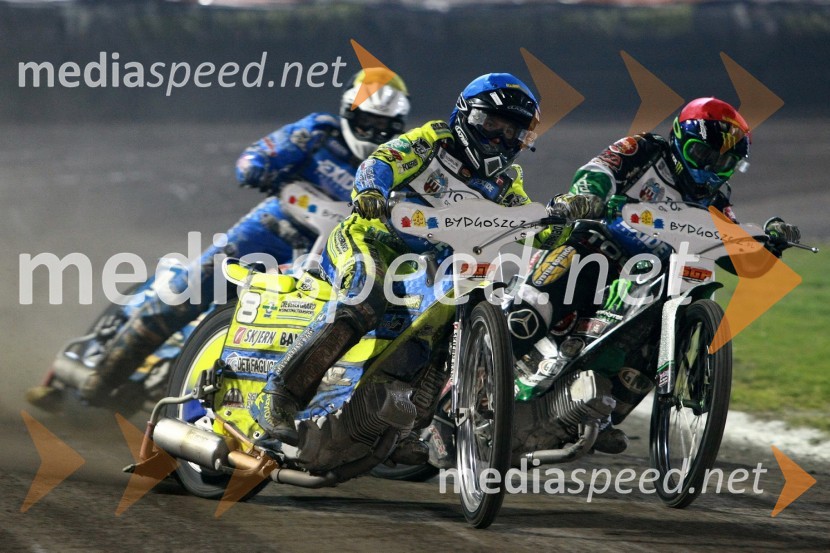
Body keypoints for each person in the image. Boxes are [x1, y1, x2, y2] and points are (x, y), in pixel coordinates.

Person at [27, 70, 411, 409]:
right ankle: (104, 377)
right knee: (185, 291)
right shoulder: (316, 133)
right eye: (366, 123)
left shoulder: (397, 160)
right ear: (348, 114)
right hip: (270, 230)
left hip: (332, 251)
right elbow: (254, 157)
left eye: (384, 126)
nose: (374, 133)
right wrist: (258, 170)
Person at [251, 73, 545, 463]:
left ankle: (404, 426)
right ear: (467, 116)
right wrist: (371, 191)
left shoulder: (508, 181)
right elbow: (380, 162)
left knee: (442, 331)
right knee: (364, 301)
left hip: (433, 266)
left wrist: (567, 221)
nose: (501, 138)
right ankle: (279, 396)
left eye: (513, 131)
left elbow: (531, 224)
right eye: (492, 124)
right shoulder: (431, 141)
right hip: (371, 240)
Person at [504, 97, 801, 454]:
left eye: (723, 162)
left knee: (661, 328)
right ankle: (475, 382)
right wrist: (591, 195)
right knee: (529, 314)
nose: (710, 168)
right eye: (703, 154)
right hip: (600, 247)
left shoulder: (717, 203)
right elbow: (597, 171)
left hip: (655, 276)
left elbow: (740, 259)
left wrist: (770, 246)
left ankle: (601, 410)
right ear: (679, 139)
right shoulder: (643, 149)